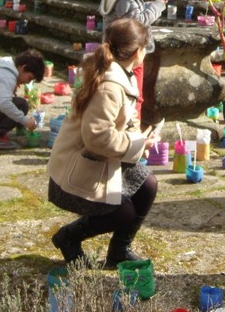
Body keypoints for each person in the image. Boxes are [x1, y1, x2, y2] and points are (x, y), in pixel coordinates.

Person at [47, 18, 161, 267]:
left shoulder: (120, 74)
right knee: (123, 212)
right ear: (138, 51)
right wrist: (138, 143)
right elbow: (98, 136)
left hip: (97, 162)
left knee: (147, 184)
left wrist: (140, 137)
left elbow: (119, 122)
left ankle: (119, 250)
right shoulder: (111, 85)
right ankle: (68, 237)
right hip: (74, 171)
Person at [98, 0, 166, 127]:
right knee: (134, 97)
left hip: (118, 52)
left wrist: (148, 4)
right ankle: (132, 137)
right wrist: (157, 7)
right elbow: (139, 22)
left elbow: (131, 13)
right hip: (129, 55)